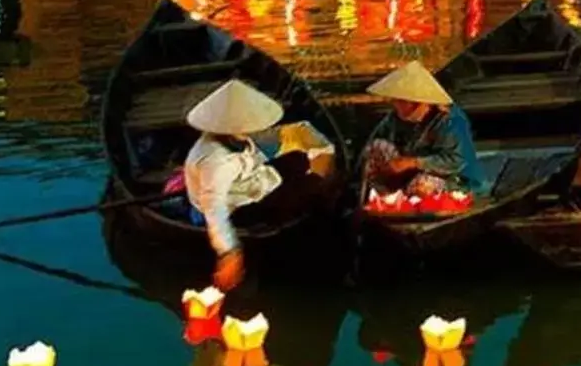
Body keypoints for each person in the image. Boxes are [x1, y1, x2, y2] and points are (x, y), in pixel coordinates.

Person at [180, 80, 329, 290]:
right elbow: (215, 209)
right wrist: (229, 251)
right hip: (238, 208)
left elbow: (261, 153)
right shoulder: (216, 162)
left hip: (248, 183)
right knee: (310, 188)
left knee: (298, 158)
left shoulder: (235, 139)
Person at [359, 61, 483, 197]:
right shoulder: (394, 118)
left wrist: (414, 162)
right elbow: (377, 140)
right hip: (407, 174)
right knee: (377, 148)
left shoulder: (449, 120)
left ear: (416, 103)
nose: (394, 103)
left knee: (422, 185)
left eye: (400, 100)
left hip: (451, 178)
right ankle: (384, 197)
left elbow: (457, 160)